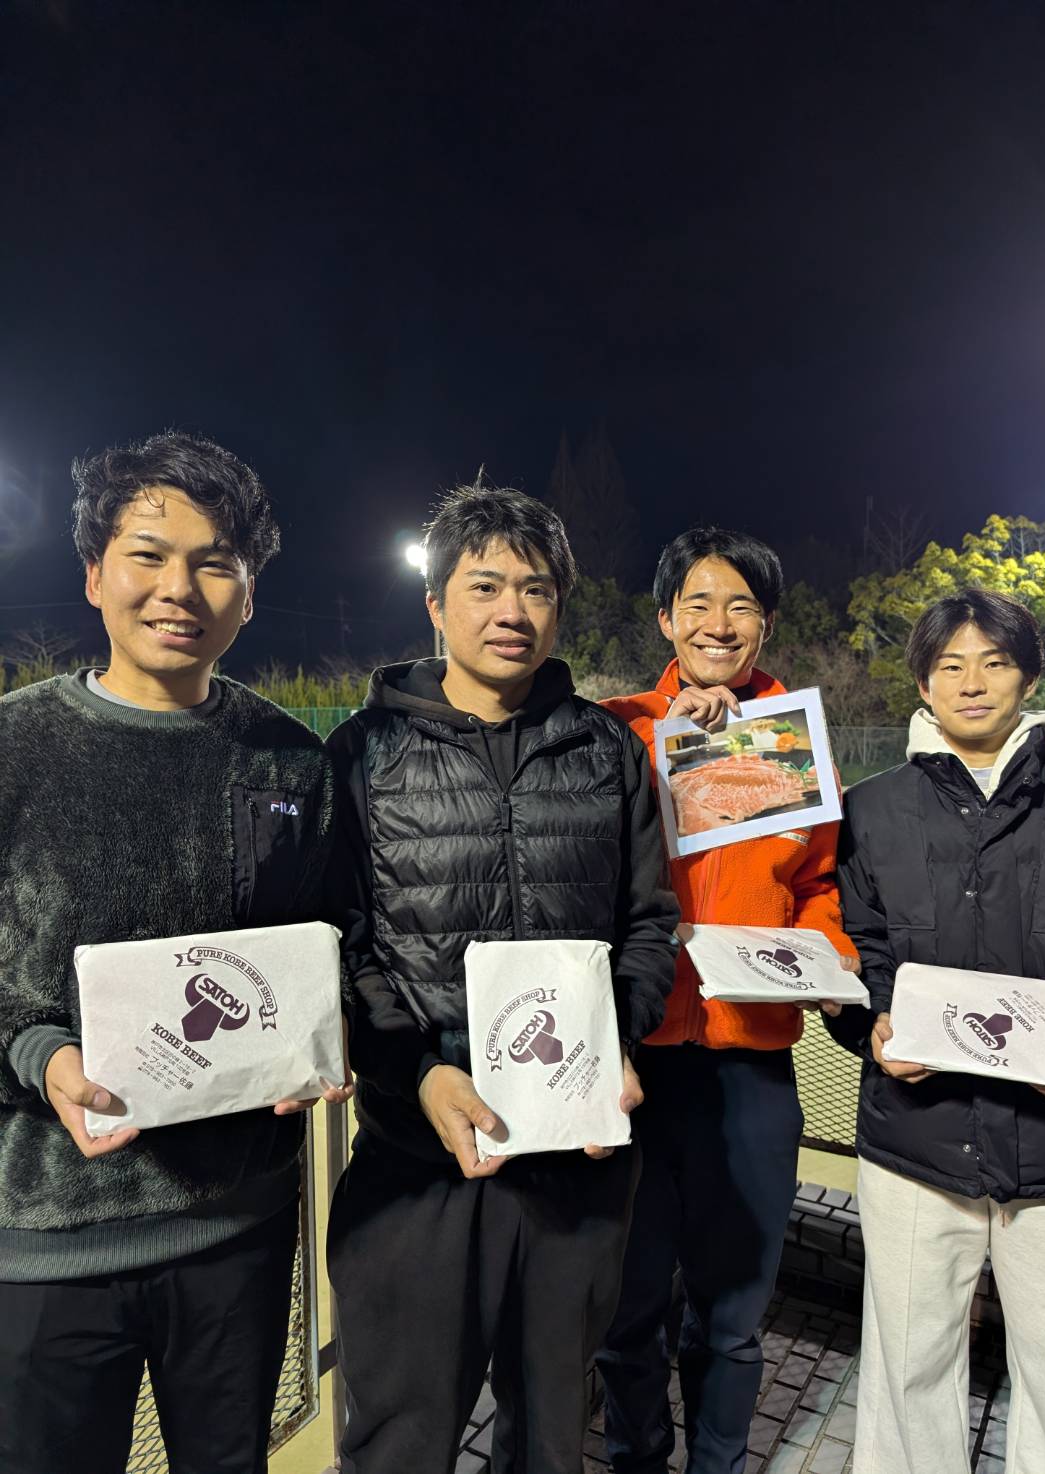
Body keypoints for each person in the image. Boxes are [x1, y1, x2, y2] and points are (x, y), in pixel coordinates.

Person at [0, 431, 350, 1474]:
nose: (179, 589)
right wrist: (41, 1057)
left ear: (249, 592)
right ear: (94, 572)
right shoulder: (15, 748)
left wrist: (316, 1038)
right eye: (148, 555)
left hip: (237, 1233)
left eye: (215, 562)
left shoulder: (290, 761)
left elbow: (328, 942)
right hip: (47, 1240)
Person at [324, 479, 679, 1474]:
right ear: (435, 603)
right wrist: (416, 1074)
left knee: (552, 1438)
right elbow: (343, 942)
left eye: (536, 589)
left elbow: (650, 923)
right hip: (416, 1166)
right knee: (400, 1439)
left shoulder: (606, 749)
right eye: (484, 586)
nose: (511, 611)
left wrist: (617, 1042)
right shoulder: (363, 752)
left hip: (575, 1168)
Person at [595, 525, 858, 1474]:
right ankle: (636, 1459)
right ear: (665, 620)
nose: (719, 622)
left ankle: (719, 1463)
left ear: (766, 624)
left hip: (752, 1063)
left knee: (735, 1314)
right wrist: (675, 742)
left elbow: (820, 884)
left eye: (740, 605)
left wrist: (827, 955)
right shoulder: (619, 730)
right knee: (628, 1307)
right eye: (697, 603)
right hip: (637, 1063)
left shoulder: (794, 743)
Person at [831, 588, 1045, 1474]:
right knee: (908, 1372)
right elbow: (860, 946)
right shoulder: (871, 808)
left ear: (1028, 676)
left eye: (994, 662)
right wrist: (873, 1025)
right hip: (916, 1139)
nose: (972, 683)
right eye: (950, 665)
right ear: (923, 682)